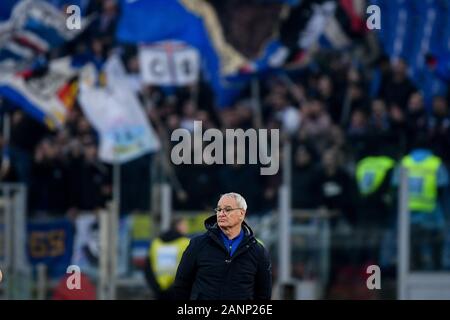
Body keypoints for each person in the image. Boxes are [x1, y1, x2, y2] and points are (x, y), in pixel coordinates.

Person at [173, 192, 272, 300]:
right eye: (219, 209)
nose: (221, 213)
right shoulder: (198, 244)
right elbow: (181, 285)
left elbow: (263, 294)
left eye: (228, 209)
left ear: (241, 214)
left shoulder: (257, 251)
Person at [144, 217, 190, 300]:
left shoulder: (156, 243)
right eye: (184, 225)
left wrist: (155, 287)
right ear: (178, 226)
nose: (187, 227)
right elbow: (189, 268)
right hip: (178, 290)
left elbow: (147, 268)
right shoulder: (186, 243)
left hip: (158, 290)